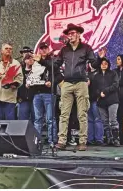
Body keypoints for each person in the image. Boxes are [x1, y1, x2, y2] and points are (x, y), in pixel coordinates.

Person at [33, 23, 105, 151]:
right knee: (64, 114)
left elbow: (94, 63)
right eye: (69, 34)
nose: (70, 36)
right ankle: (62, 141)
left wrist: (99, 59)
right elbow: (55, 65)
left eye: (73, 33)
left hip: (81, 83)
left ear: (78, 34)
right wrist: (42, 61)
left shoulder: (86, 48)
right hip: (67, 83)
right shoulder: (64, 49)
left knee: (82, 114)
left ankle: (82, 141)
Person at [30, 41, 58, 147]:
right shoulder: (35, 63)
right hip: (37, 94)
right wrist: (29, 83)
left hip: (49, 94)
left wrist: (52, 82)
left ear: (48, 49)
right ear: (39, 50)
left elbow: (59, 75)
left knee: (50, 118)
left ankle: (52, 140)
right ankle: (37, 140)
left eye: (45, 48)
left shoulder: (53, 60)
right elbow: (30, 75)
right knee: (37, 119)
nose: (43, 50)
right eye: (41, 48)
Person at [0, 42, 23, 120]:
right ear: (1, 51)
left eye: (10, 49)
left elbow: (20, 78)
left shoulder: (16, 63)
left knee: (10, 120)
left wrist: (15, 84)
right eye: (6, 48)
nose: (8, 50)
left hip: (9, 96)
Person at [93, 58, 120, 147]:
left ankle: (116, 139)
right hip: (101, 101)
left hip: (112, 100)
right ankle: (109, 139)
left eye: (106, 63)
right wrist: (99, 93)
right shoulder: (96, 76)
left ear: (108, 64)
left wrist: (105, 91)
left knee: (113, 120)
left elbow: (115, 85)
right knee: (104, 121)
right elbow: (94, 88)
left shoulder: (113, 73)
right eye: (102, 63)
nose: (104, 65)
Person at [87, 63, 104, 146]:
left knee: (97, 119)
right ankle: (90, 138)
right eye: (89, 63)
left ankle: (99, 139)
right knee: (89, 120)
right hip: (87, 99)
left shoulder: (99, 73)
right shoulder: (86, 74)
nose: (91, 64)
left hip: (96, 99)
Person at [17, 54, 35, 122]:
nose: (30, 60)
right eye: (28, 58)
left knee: (35, 119)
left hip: (34, 98)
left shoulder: (37, 71)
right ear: (24, 60)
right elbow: (17, 84)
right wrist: (18, 97)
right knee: (22, 121)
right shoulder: (20, 71)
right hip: (23, 100)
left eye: (32, 58)